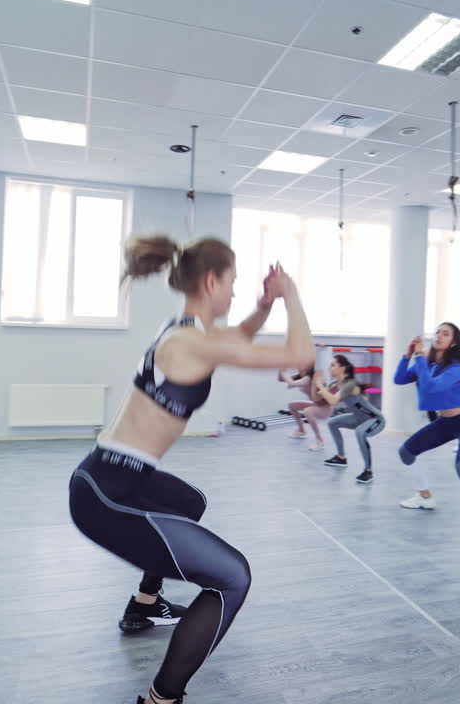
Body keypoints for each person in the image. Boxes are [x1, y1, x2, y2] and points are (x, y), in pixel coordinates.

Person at [68, 236, 314, 704]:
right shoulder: (191, 344)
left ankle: (144, 604)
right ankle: (162, 698)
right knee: (231, 578)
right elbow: (300, 357)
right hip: (107, 497)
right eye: (234, 283)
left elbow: (236, 337)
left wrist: (265, 304)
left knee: (188, 503)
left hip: (112, 477)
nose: (236, 292)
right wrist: (292, 294)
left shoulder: (183, 329)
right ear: (211, 280)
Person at [391, 323, 460, 551]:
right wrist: (407, 356)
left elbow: (432, 388)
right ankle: (424, 497)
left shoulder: (456, 368)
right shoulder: (430, 364)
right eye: (437, 332)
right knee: (406, 452)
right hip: (445, 423)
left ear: (453, 342)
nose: (439, 336)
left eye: (446, 333)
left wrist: (420, 357)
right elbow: (399, 379)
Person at [319, 355, 385, 483]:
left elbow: (332, 401)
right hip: (359, 418)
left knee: (360, 432)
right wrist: (320, 388)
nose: (330, 368)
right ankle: (341, 457)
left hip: (375, 419)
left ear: (343, 368)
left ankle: (368, 471)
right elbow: (320, 396)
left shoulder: (350, 384)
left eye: (333, 365)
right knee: (332, 423)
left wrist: (319, 386)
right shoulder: (337, 383)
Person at [279, 366, 332, 451]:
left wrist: (283, 372)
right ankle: (301, 431)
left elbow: (292, 383)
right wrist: (281, 370)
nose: (299, 367)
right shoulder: (301, 376)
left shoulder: (309, 378)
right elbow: (281, 379)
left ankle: (319, 440)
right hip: (316, 404)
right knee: (292, 405)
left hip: (325, 408)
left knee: (308, 411)